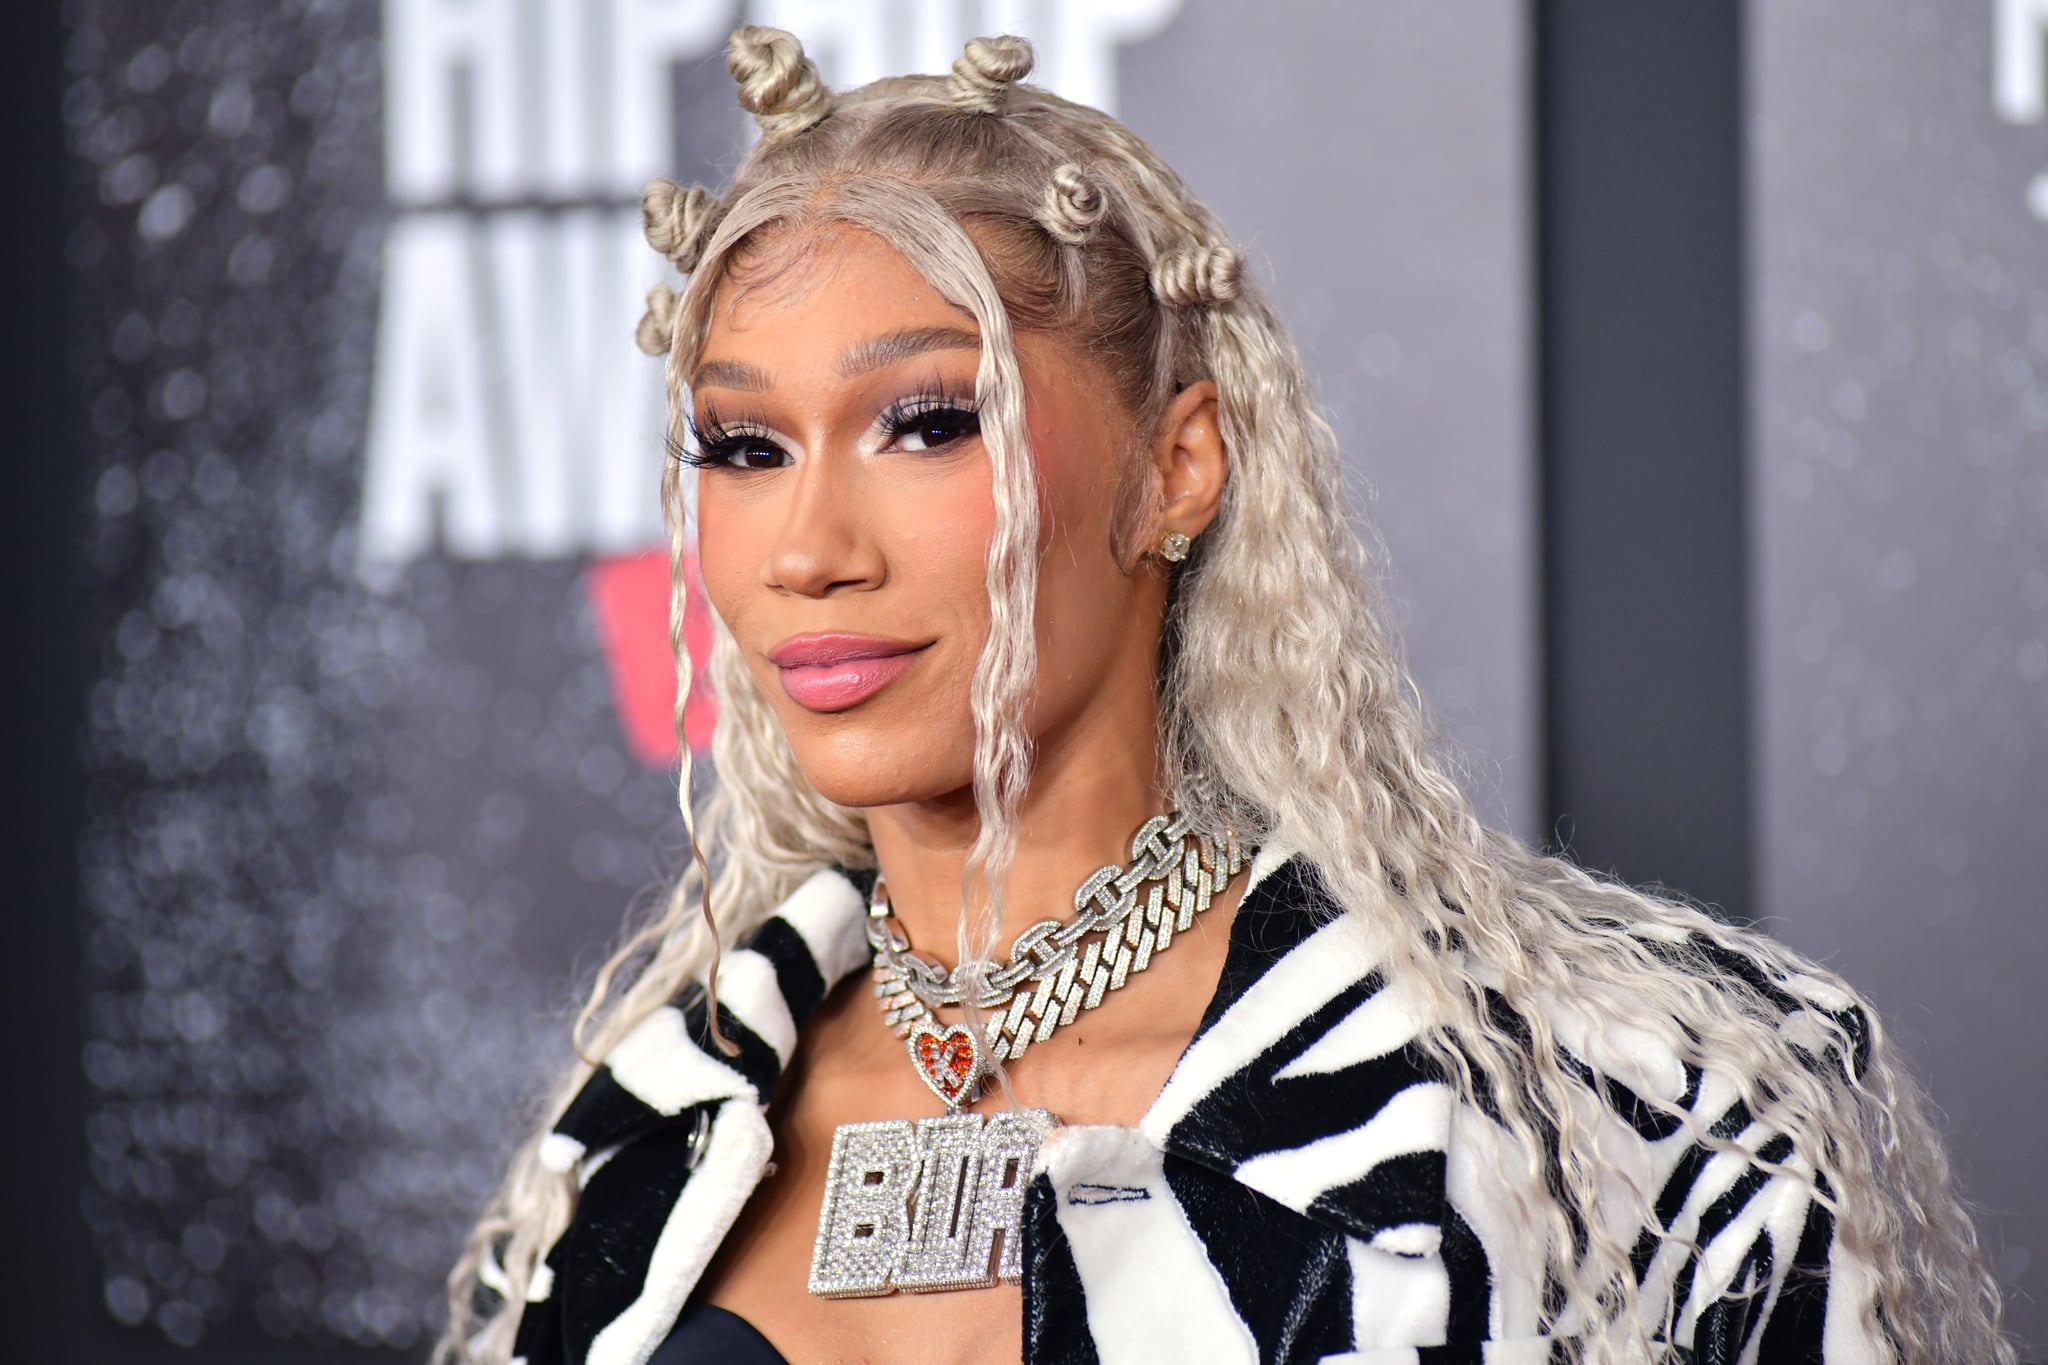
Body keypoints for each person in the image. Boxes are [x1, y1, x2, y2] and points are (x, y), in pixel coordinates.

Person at [437, 26, 2012, 1365]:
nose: (808, 549)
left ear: (1177, 467)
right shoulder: (653, 1124)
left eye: (927, 422)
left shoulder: (1591, 1121)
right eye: (745, 448)